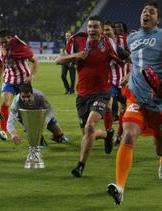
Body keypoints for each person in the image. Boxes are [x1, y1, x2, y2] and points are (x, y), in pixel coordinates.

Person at [107, 2, 162, 205]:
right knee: (128, 134)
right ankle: (120, 187)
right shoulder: (132, 38)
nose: (146, 14)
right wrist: (128, 75)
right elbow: (135, 61)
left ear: (158, 19)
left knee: (160, 148)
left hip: (161, 104)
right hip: (137, 98)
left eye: (151, 12)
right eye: (144, 11)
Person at [56, 15, 121, 177]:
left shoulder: (108, 43)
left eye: (95, 27)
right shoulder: (77, 42)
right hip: (82, 94)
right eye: (90, 27)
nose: (92, 29)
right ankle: (107, 135)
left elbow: (121, 57)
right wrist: (75, 56)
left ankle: (80, 166)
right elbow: (59, 60)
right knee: (87, 132)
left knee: (91, 126)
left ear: (101, 29)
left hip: (102, 92)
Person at [0, 30, 39, 141]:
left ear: (10, 38)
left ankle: (29, 125)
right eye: (1, 42)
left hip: (23, 81)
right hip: (9, 80)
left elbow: (35, 61)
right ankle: (4, 131)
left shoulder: (21, 47)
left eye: (5, 42)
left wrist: (31, 76)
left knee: (25, 106)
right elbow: (0, 65)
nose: (3, 44)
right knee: (5, 102)